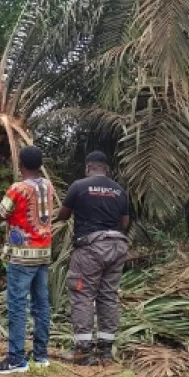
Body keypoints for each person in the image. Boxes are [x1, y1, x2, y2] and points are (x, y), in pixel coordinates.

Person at [56, 151, 130, 365]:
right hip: (117, 246)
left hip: (91, 247)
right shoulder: (119, 190)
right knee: (108, 295)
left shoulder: (79, 187)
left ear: (88, 168)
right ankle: (106, 351)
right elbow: (124, 222)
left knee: (82, 294)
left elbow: (63, 215)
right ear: (106, 169)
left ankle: (82, 350)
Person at [0, 146, 54, 374]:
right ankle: (41, 354)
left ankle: (16, 358)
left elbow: (0, 214)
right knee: (41, 304)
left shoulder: (18, 188)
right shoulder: (47, 185)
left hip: (21, 255)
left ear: (21, 165)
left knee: (18, 305)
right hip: (43, 252)